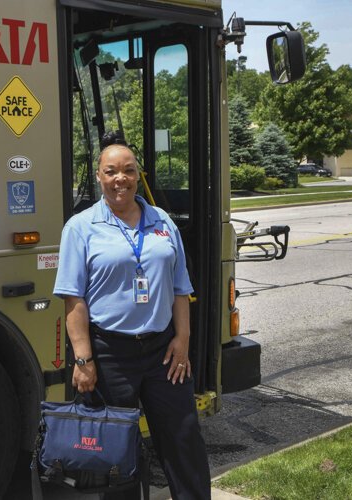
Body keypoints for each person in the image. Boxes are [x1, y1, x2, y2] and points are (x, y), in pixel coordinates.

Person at [53, 133, 211, 500]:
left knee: (183, 438)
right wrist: (83, 358)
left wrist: (182, 339)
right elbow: (73, 300)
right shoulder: (80, 227)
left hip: (163, 352)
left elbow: (179, 287)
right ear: (98, 176)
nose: (119, 178)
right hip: (110, 355)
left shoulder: (162, 222)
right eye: (111, 172)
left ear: (138, 175)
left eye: (128, 170)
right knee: (117, 455)